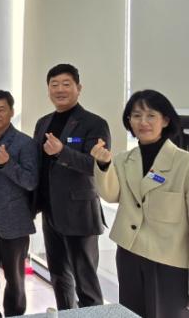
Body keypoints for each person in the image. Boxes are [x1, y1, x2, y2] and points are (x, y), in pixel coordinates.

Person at [90, 89, 189, 318]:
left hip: (168, 259)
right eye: (136, 116)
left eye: (151, 115)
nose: (143, 122)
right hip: (129, 252)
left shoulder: (184, 163)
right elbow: (111, 195)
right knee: (131, 312)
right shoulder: (124, 159)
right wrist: (104, 165)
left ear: (165, 120)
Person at [33, 63, 109, 310]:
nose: (60, 89)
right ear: (48, 90)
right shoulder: (43, 123)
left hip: (79, 213)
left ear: (79, 88)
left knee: (86, 283)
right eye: (54, 85)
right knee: (59, 277)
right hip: (50, 212)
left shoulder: (94, 123)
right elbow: (38, 164)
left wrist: (62, 151)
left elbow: (95, 166)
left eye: (66, 84)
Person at [0, 90, 39, 318]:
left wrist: (7, 164)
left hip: (14, 222)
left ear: (11, 112)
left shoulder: (25, 143)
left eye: (1, 110)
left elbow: (31, 181)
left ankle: (15, 315)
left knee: (15, 278)